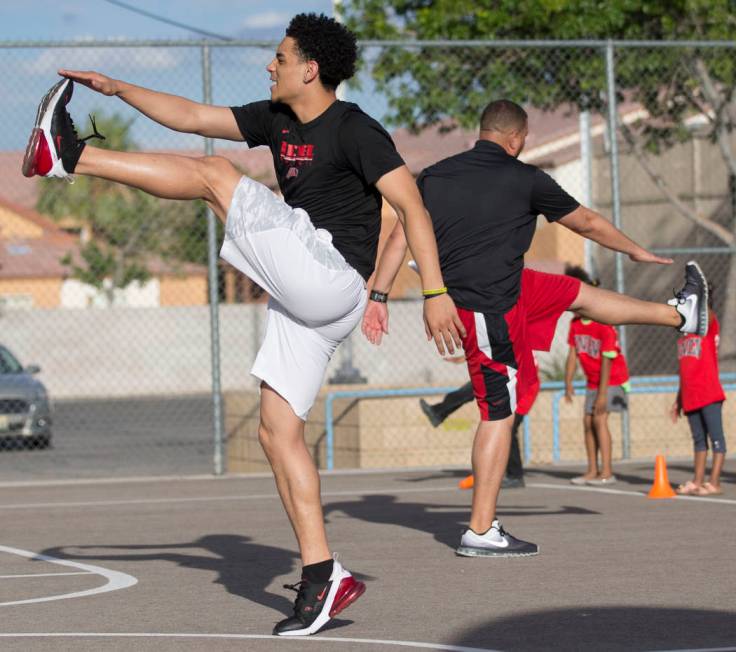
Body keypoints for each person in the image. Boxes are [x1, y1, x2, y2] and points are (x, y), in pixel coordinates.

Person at [22, 13, 465, 636]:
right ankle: (322, 578)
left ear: (309, 69)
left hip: (332, 275)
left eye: (280, 57)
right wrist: (117, 88)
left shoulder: (356, 130)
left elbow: (411, 204)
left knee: (214, 177)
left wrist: (435, 290)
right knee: (275, 433)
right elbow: (191, 116)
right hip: (305, 300)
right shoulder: (276, 118)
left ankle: (69, 156)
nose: (270, 64)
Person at [362, 98, 709, 558]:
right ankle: (480, 531)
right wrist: (635, 251)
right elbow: (585, 222)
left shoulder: (435, 175)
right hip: (484, 305)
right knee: (498, 415)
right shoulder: (526, 178)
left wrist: (379, 295)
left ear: (481, 131)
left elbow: (400, 234)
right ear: (517, 139)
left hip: (510, 284)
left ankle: (681, 315)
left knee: (576, 293)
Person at [420, 359, 540, 489]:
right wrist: (465, 357)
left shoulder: (520, 345)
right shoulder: (514, 347)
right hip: (512, 385)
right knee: (479, 385)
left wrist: (465, 357)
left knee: (508, 430)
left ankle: (515, 476)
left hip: (522, 390)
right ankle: (438, 412)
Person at [563, 265, 630, 486]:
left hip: (612, 379)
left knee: (600, 420)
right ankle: (592, 470)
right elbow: (572, 354)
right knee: (587, 421)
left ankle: (607, 472)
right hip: (593, 381)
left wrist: (602, 395)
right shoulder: (574, 325)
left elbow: (608, 360)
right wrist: (568, 381)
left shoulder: (603, 323)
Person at [671, 287, 727, 496]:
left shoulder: (707, 325)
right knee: (698, 440)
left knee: (716, 438)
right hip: (690, 396)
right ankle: (697, 480)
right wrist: (678, 400)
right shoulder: (685, 334)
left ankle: (714, 482)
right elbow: (684, 370)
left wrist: (700, 294)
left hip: (709, 393)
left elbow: (709, 313)